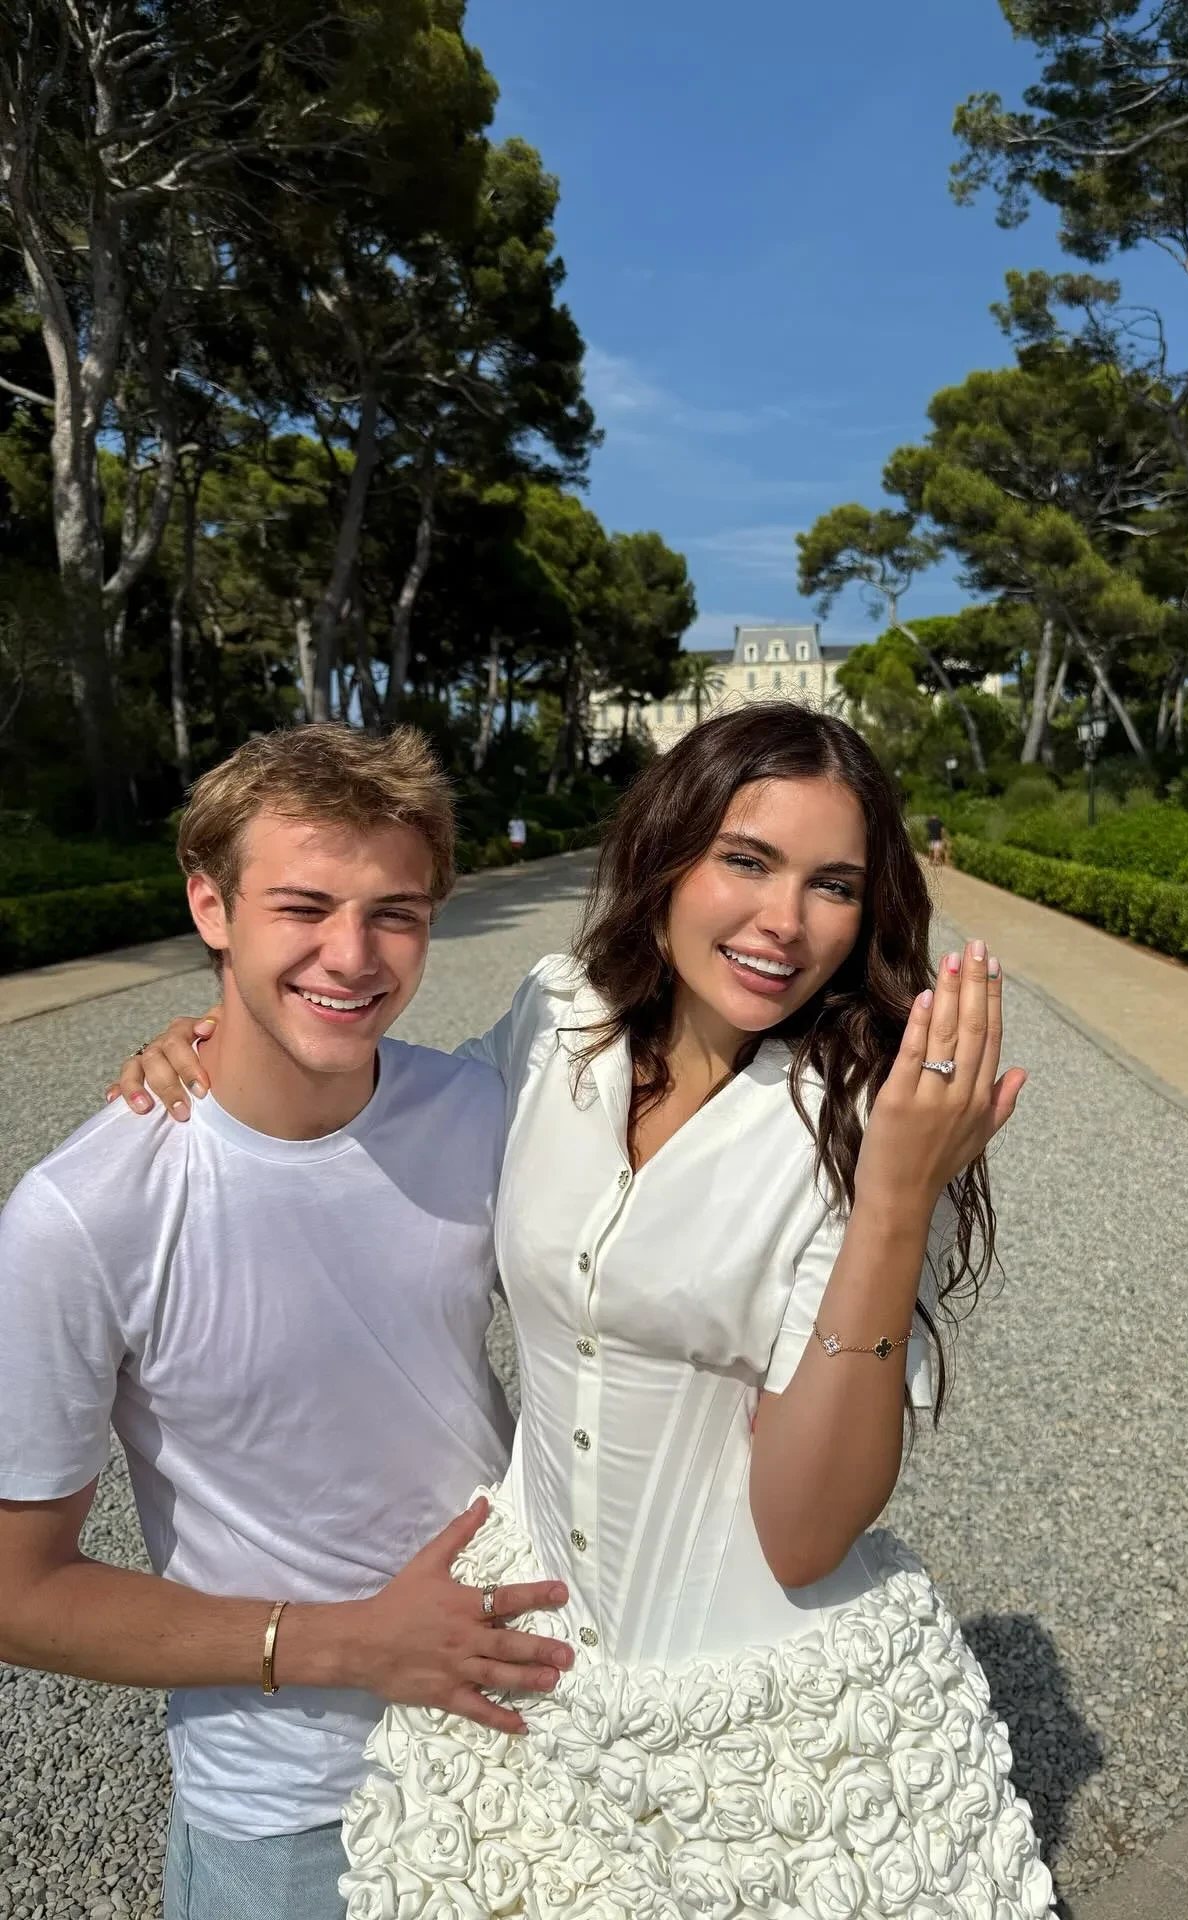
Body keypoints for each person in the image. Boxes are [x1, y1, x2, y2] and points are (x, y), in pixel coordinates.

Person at [117, 707, 1054, 1917]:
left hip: (768, 1727)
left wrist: (895, 1204)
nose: (784, 919)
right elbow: (382, 1113)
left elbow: (804, 1532)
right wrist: (223, 1033)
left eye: (833, 884)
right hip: (521, 1659)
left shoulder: (880, 1117)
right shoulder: (556, 1017)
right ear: (667, 856)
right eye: (747, 859)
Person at [0, 727, 572, 1920]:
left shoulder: (477, 1112)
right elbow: (19, 1592)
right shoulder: (83, 1214)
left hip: (526, 1732)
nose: (352, 956)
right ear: (210, 905)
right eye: (303, 907)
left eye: (395, 914)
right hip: (291, 1810)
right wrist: (349, 1644)